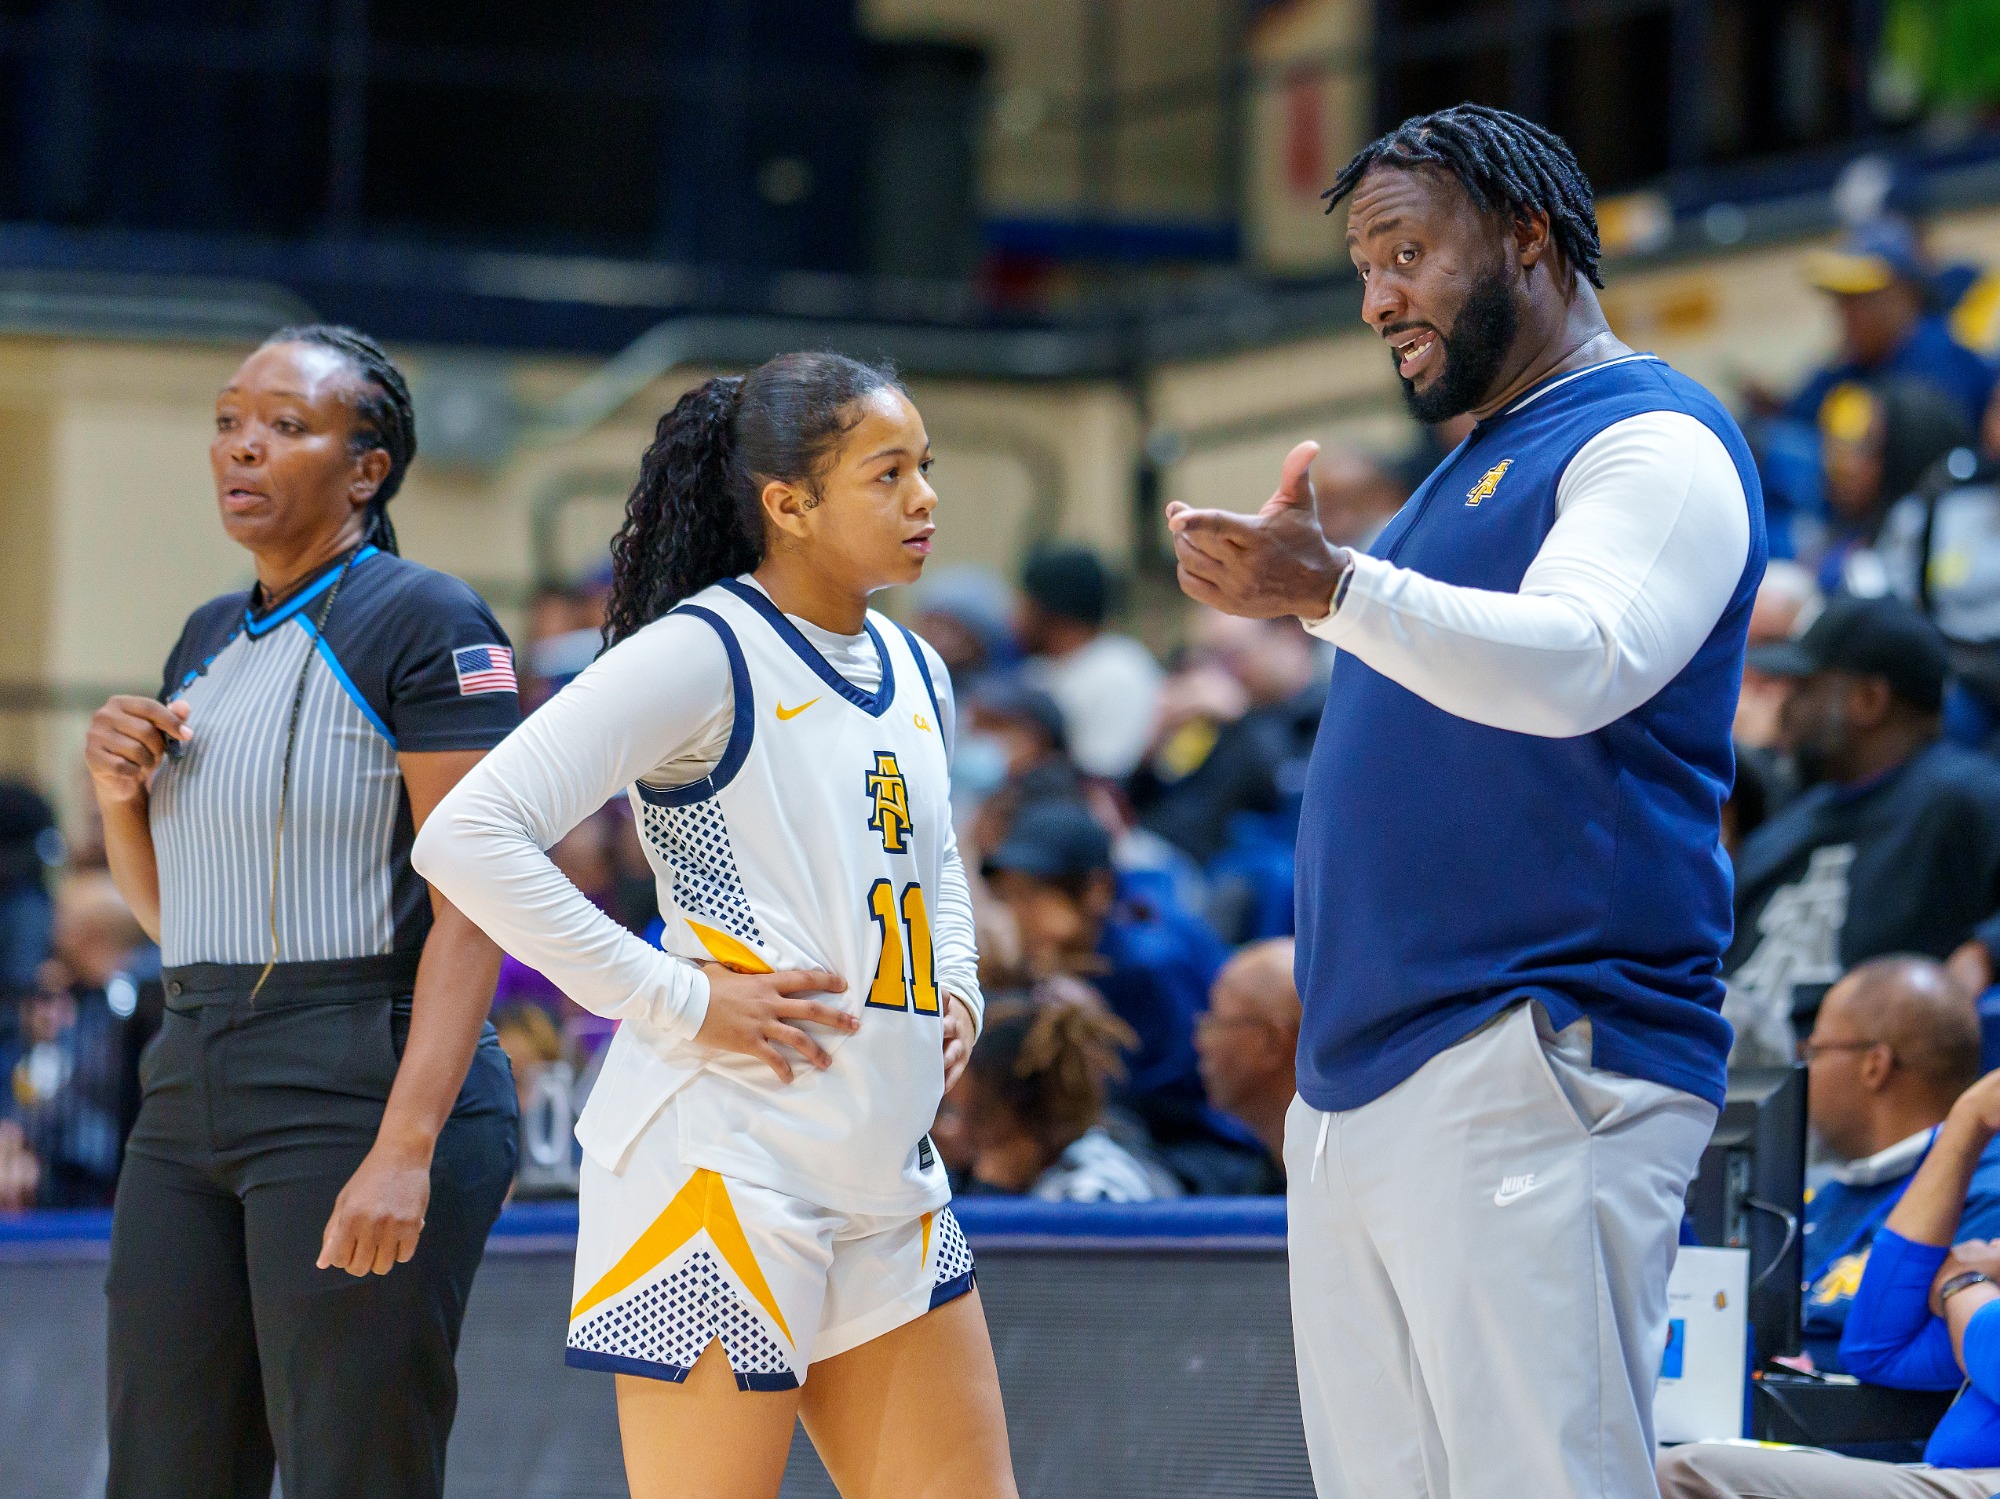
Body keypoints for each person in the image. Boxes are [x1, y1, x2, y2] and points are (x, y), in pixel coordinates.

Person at [1168, 105, 1765, 1499]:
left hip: (1535, 1042)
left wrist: (1333, 586)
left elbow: (1586, 665)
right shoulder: (1463, 474)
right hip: (1369, 1076)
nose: (1379, 298)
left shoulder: (1652, 438)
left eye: (1406, 253)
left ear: (1528, 240)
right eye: (1365, 266)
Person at [412, 352, 1018, 1499]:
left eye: (923, 468)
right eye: (887, 474)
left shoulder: (916, 665)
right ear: (787, 503)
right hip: (720, 1169)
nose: (925, 497)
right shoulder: (701, 650)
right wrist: (676, 996)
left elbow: (933, 851)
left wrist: (956, 979)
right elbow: (466, 834)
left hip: (884, 1168)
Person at [84, 325, 520, 1499]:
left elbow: (476, 904)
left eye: (285, 424)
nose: (242, 446)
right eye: (229, 420)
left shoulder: (428, 620)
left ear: (366, 468)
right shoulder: (208, 637)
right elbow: (185, 922)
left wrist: (406, 1144)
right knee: (164, 1468)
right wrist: (115, 795)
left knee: (351, 1469)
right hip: (192, 1073)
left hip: (361, 1072)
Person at [1659, 1063, 2000, 1498]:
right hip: (1956, 1477)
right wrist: (1966, 1124)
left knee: (1687, 1473)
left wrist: (1962, 1285)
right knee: (1675, 1466)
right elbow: (1877, 1350)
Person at [1726, 595, 2000, 1063]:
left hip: (1862, 1076)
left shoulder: (1964, 794)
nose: (1784, 707)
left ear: (1868, 701)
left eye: (1804, 688)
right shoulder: (1787, 821)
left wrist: (1983, 954)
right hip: (1739, 1064)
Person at [980, 799, 1226, 1150]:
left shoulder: (1150, 964)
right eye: (1011, 896)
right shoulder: (1061, 956)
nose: (1018, 915)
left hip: (1197, 1150)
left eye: (1034, 895)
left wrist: (1095, 1035)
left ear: (1096, 890)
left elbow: (1183, 1099)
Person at [1796, 957, 2000, 1373]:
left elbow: (1878, 1353)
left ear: (1875, 1065)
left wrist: (1969, 1118)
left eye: (1815, 1051)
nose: (1803, 1070)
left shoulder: (1985, 1193)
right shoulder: (1824, 1193)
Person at [945, 988, 1182, 1202]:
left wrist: (990, 1191)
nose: (953, 1128)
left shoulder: (1094, 1191)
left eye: (969, 1114)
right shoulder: (981, 1176)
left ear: (1011, 1113)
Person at [1132, 610, 1324, 866]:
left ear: (1290, 636)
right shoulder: (1220, 712)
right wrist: (1159, 733)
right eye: (1208, 656)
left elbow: (1279, 789)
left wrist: (1239, 715)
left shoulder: (1321, 709)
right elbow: (1150, 796)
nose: (1218, 672)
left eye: (1233, 655)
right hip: (1162, 850)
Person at [1785, 220, 1997, 435]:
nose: (1848, 314)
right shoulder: (1855, 362)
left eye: (1861, 298)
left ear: (1907, 294)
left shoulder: (1941, 358)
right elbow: (1794, 414)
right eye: (1842, 299)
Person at [1015, 544, 1163, 780]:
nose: (1014, 616)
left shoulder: (1119, 670)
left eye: (1024, 604)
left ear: (1050, 611)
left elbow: (1104, 776)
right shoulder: (1035, 671)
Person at [1812, 376, 1972, 594]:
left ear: (1905, 457)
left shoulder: (1929, 553)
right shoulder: (1840, 535)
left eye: (1867, 448)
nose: (1843, 466)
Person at [1192, 938, 1299, 1193]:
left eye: (1216, 1021)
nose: (1200, 1041)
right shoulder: (1264, 1177)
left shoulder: (1356, 1190)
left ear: (1272, 1042)